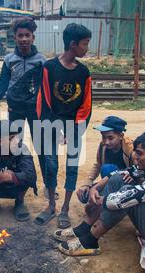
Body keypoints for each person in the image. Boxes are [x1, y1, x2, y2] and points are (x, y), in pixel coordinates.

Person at [55, 129, 145, 257]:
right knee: (120, 179)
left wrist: (98, 200)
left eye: (140, 153)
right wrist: (95, 188)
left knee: (127, 195)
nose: (135, 156)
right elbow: (122, 173)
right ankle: (85, 227)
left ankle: (90, 241)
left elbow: (122, 199)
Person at [0, 18, 50, 199]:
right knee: (13, 147)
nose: (24, 39)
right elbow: (3, 84)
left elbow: (47, 88)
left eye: (27, 35)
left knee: (41, 148)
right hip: (15, 109)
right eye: (20, 35)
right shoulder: (9, 59)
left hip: (35, 111)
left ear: (33, 37)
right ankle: (15, 185)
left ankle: (48, 186)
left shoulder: (41, 60)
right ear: (15, 37)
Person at [35, 23, 92, 229]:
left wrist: (74, 131)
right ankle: (51, 205)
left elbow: (86, 105)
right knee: (50, 165)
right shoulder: (49, 67)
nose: (87, 48)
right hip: (52, 123)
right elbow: (44, 100)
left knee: (72, 166)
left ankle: (65, 208)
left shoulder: (84, 72)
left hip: (74, 126)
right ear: (72, 44)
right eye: (85, 44)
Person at [76, 116, 134, 204]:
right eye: (103, 137)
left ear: (121, 136)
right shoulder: (103, 146)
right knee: (84, 195)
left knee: (108, 169)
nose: (106, 142)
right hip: (108, 181)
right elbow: (98, 165)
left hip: (126, 183)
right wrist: (87, 183)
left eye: (110, 138)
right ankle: (107, 195)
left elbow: (138, 170)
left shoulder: (130, 148)